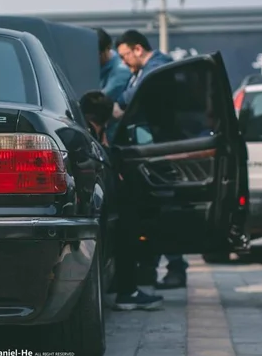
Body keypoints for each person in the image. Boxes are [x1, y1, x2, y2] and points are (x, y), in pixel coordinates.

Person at [113, 29, 189, 289]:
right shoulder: (139, 73)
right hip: (150, 152)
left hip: (165, 150)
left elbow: (132, 99)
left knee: (166, 210)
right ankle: (150, 268)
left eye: (125, 56)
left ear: (138, 49)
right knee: (153, 211)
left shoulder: (158, 68)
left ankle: (176, 268)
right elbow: (125, 99)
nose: (124, 62)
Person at [79, 91, 164, 310]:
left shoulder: (83, 132)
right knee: (129, 223)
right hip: (100, 206)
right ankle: (127, 291)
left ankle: (124, 287)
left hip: (94, 205)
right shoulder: (90, 136)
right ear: (105, 119)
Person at [95, 28, 132, 143]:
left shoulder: (121, 70)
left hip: (114, 135)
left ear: (107, 49)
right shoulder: (96, 66)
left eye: (97, 55)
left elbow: (98, 100)